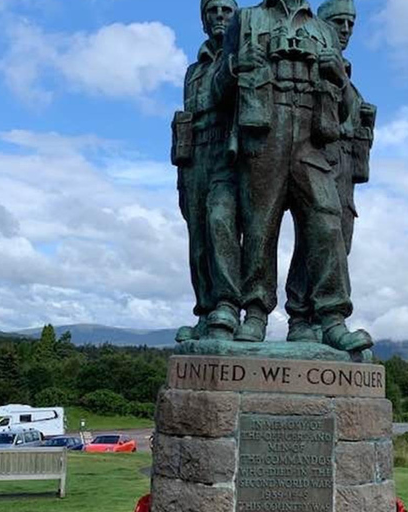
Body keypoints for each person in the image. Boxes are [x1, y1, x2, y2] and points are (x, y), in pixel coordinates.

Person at [215, 0, 373, 352]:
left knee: (327, 221)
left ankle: (329, 317)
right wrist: (233, 68)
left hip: (311, 139)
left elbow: (349, 109)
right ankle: (255, 313)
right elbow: (216, 92)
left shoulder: (324, 31)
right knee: (259, 225)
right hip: (263, 133)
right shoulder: (247, 19)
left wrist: (340, 77)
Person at [285, 0, 377, 343]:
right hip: (309, 159)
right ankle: (302, 316)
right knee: (318, 234)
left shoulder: (345, 73)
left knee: (334, 243)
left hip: (344, 171)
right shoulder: (311, 63)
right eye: (339, 21)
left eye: (351, 23)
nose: (346, 29)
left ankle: (313, 319)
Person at [172, 0, 242, 342]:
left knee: (220, 222)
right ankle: (205, 314)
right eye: (212, 10)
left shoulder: (241, 57)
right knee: (198, 240)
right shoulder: (193, 70)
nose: (219, 16)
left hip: (226, 154)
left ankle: (228, 307)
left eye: (226, 10)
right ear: (203, 20)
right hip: (193, 156)